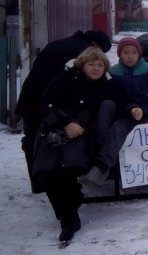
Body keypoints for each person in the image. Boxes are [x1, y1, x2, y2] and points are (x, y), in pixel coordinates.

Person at [31, 47, 142, 242]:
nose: (96, 69)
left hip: (86, 132)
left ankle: (69, 218)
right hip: (56, 126)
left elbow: (124, 100)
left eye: (100, 65)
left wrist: (133, 108)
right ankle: (68, 213)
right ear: (82, 65)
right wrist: (65, 122)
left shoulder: (109, 84)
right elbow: (46, 102)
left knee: (69, 168)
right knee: (47, 171)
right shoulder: (65, 78)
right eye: (91, 64)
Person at [15, 29, 111, 193]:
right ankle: (53, 181)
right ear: (95, 44)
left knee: (31, 139)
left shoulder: (58, 43)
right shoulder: (83, 52)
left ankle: (38, 183)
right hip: (50, 102)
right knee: (53, 141)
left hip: (30, 97)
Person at [109, 37, 148, 122]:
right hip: (122, 115)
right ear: (119, 54)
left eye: (134, 52)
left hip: (147, 114)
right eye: (126, 52)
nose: (130, 56)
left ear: (139, 53)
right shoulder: (113, 72)